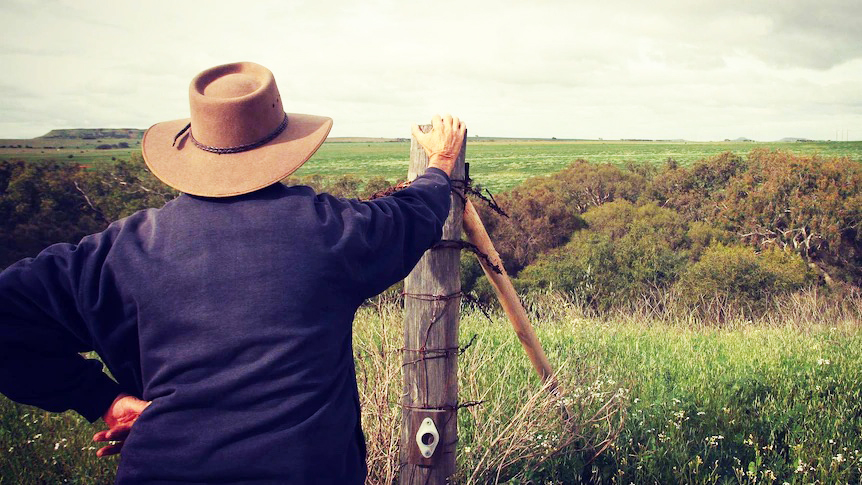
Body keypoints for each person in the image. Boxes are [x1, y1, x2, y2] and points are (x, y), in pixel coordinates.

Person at [0, 61, 466, 484]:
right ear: (284, 145)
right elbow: (412, 214)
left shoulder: (123, 250)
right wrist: (441, 163)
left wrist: (103, 399)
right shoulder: (328, 231)